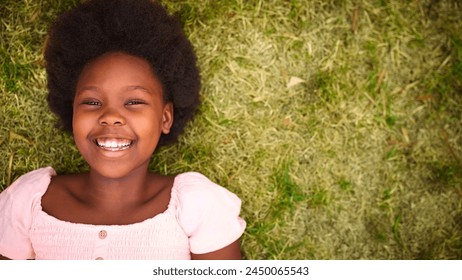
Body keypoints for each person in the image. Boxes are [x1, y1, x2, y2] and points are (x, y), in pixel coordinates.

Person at [0, 0, 245, 260]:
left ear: (165, 118)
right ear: (72, 111)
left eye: (134, 102)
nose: (111, 117)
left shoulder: (197, 206)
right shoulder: (30, 202)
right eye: (92, 102)